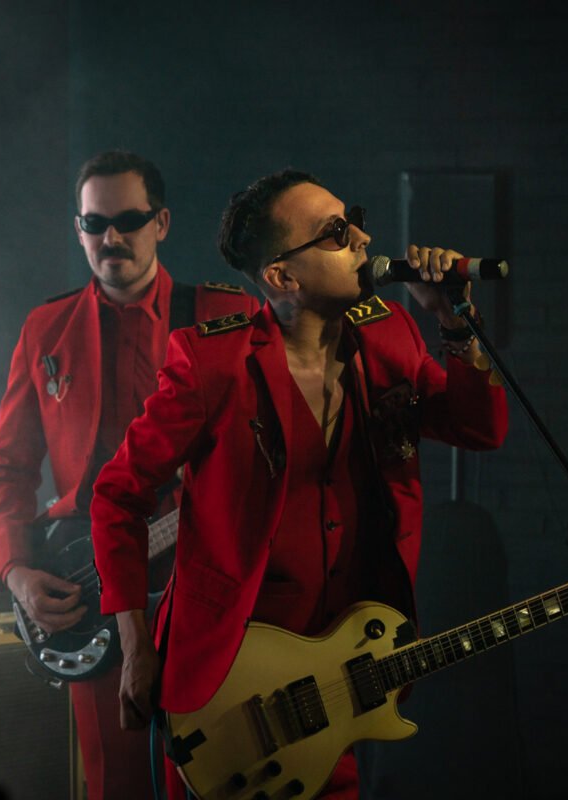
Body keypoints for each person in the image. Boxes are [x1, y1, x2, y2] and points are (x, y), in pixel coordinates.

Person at [90, 169, 509, 798]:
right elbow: (116, 495)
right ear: (282, 277)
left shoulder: (389, 333)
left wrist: (455, 320)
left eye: (354, 220)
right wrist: (136, 644)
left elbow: (481, 428)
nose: (363, 239)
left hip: (334, 684)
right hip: (223, 691)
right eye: (337, 232)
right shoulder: (213, 363)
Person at [0, 150, 258, 800]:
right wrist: (16, 570)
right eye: (95, 223)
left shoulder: (226, 315)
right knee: (120, 784)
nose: (112, 238)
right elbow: (9, 466)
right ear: (78, 229)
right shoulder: (46, 327)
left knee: (226, 779)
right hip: (95, 586)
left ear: (161, 223)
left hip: (209, 584)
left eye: (129, 221)